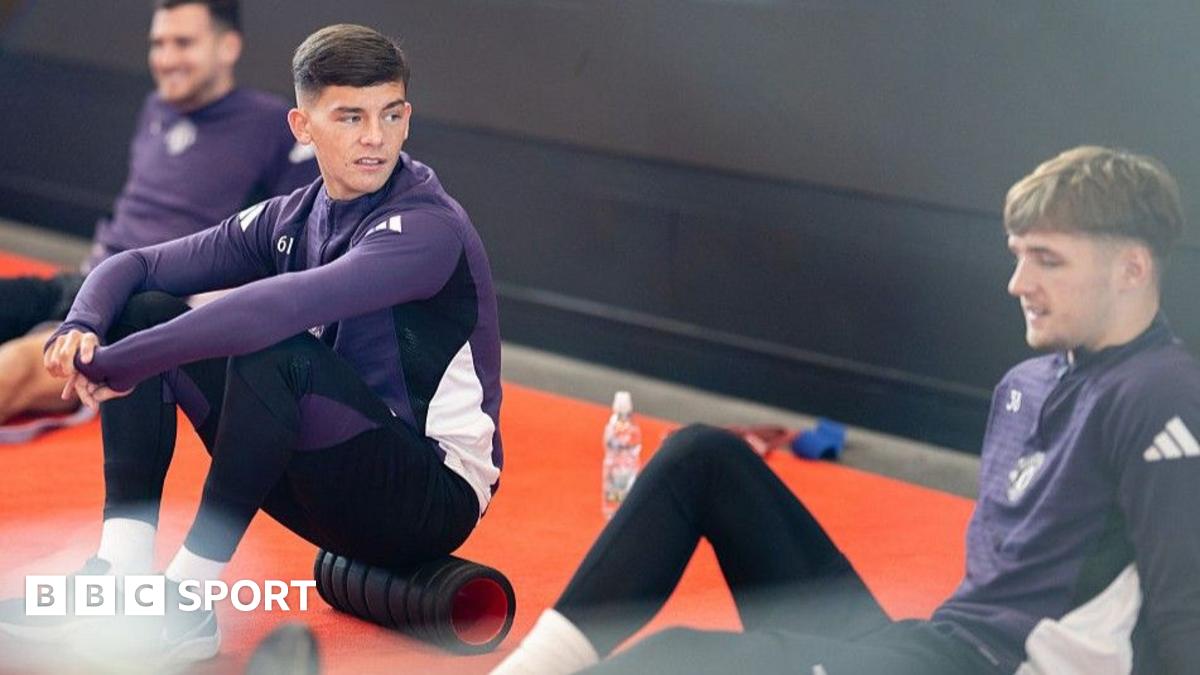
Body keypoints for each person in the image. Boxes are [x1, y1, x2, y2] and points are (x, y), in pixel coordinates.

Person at [492, 146, 1200, 675]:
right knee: (703, 456)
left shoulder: (1161, 393)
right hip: (939, 646)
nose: (1018, 282)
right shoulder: (1027, 383)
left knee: (674, 660)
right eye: (1018, 256)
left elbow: (1184, 612)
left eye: (1048, 260)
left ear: (1132, 269)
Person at [2, 22, 502, 664]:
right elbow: (137, 265)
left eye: (391, 114)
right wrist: (82, 327)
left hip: (428, 495)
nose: (375, 137)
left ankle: (185, 604)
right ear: (303, 126)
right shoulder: (293, 214)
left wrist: (119, 365)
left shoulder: (427, 227)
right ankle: (119, 574)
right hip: (330, 470)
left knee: (276, 351)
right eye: (350, 117)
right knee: (142, 310)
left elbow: (274, 309)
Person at [0, 0, 317, 438]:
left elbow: (302, 240)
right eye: (158, 44)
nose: (166, 59)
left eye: (183, 43)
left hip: (135, 314)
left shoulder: (273, 127)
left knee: (17, 367)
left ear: (227, 47)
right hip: (79, 283)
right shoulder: (157, 107)